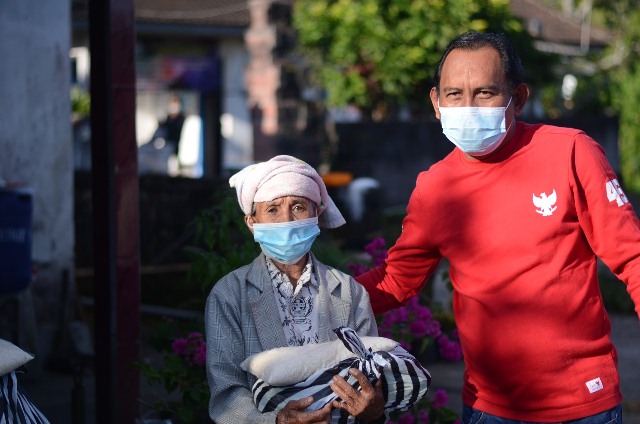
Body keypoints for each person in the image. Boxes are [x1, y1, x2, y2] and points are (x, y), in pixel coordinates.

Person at [355, 30, 640, 423]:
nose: (467, 106)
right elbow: (398, 279)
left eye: (485, 93)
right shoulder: (435, 187)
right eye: (454, 94)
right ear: (436, 103)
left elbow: (632, 256)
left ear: (517, 98)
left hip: (583, 402)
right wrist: (322, 300)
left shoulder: (571, 151)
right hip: (488, 407)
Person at [205, 155, 387, 424]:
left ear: (316, 216)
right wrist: (275, 421)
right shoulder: (230, 294)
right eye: (273, 209)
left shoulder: (349, 291)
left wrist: (374, 410)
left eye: (299, 207)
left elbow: (371, 380)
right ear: (252, 223)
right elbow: (226, 394)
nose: (286, 220)